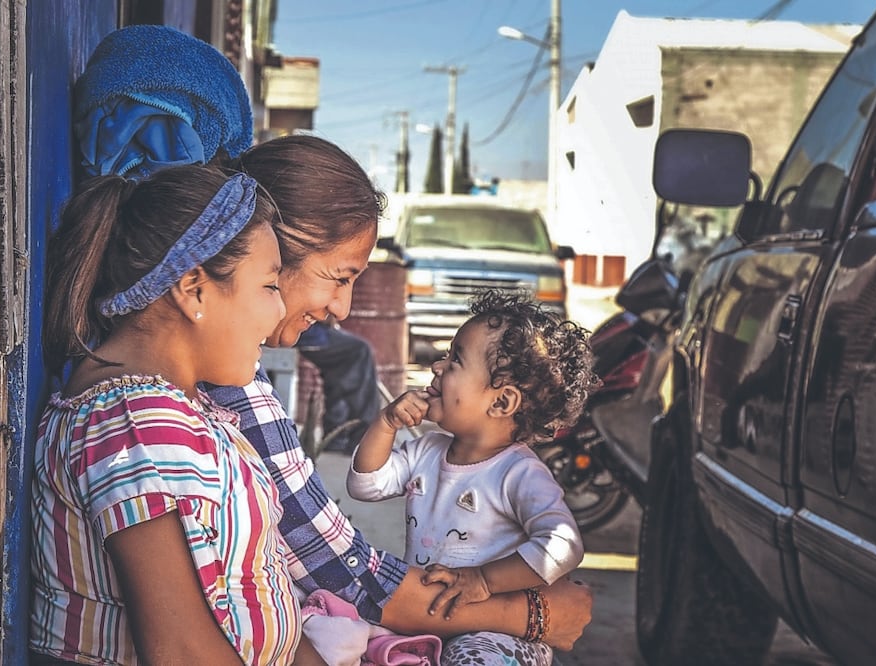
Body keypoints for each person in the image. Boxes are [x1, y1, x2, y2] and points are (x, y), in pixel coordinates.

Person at [71, 24, 595, 658]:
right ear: (248, 260)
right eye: (337, 277)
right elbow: (334, 571)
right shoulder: (159, 412)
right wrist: (528, 615)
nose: (344, 308)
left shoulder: (192, 388)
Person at [30, 164, 321, 665]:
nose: (279, 313)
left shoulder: (180, 410)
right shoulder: (133, 422)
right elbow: (181, 651)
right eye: (270, 286)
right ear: (194, 289)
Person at [347, 290, 598, 665]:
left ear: (500, 403)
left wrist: (484, 580)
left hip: (498, 636)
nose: (437, 366)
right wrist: (387, 424)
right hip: (428, 623)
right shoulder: (425, 451)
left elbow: (563, 546)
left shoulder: (519, 473)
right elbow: (365, 484)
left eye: (455, 361)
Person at [296, 319, 380, 453]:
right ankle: (361, 437)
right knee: (360, 350)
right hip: (306, 332)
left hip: (311, 330)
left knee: (341, 370)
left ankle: (335, 436)